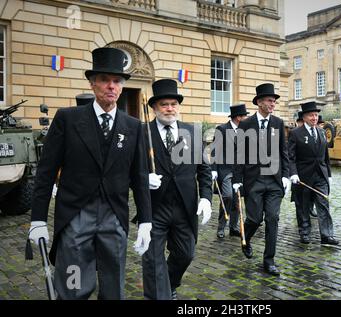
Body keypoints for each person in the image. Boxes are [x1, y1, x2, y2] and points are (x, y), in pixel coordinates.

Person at [28, 47, 152, 299]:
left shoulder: (133, 126)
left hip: (114, 217)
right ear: (93, 83)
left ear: (122, 86)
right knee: (73, 287)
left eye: (116, 81)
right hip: (76, 215)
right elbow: (46, 171)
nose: (111, 86)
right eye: (104, 80)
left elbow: (139, 176)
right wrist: (38, 219)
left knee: (113, 288)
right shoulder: (68, 119)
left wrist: (146, 221)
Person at [142, 79, 212, 300]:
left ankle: (169, 283)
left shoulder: (192, 131)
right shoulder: (142, 132)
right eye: (164, 104)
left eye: (173, 104)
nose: (170, 108)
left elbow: (204, 170)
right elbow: (125, 169)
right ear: (154, 107)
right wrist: (143, 178)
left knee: (186, 253)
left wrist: (206, 198)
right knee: (152, 259)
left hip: (184, 207)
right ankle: (158, 295)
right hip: (155, 207)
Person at [232, 83, 290, 276]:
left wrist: (287, 176)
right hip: (254, 181)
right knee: (255, 219)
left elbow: (284, 152)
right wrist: (237, 179)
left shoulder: (278, 123)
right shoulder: (246, 124)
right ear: (259, 102)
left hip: (274, 181)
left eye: (274, 101)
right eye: (269, 100)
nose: (272, 104)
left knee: (272, 218)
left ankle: (269, 260)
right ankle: (245, 238)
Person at [288, 102, 338, 245]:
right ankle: (304, 232)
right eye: (311, 115)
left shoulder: (321, 132)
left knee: (323, 204)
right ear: (304, 117)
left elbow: (325, 156)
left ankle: (327, 235)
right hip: (303, 176)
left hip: (320, 175)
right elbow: (291, 157)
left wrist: (328, 174)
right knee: (303, 206)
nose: (314, 118)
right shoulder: (295, 133)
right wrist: (293, 173)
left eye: (316, 115)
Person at [211, 103, 249, 238]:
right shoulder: (221, 129)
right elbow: (215, 150)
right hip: (225, 170)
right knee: (227, 196)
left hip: (241, 171)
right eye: (245, 115)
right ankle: (221, 226)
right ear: (238, 117)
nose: (246, 118)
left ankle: (233, 227)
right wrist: (213, 169)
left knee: (237, 199)